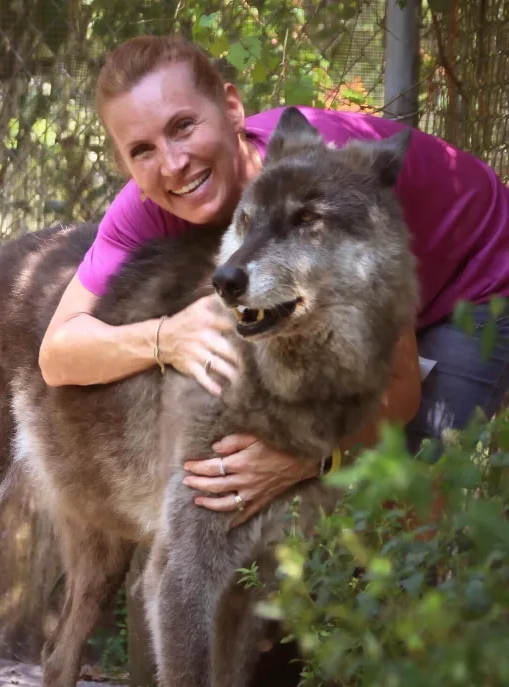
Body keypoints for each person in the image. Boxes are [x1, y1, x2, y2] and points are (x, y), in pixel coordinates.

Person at [39, 34, 509, 527]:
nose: (173, 163)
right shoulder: (147, 206)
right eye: (142, 150)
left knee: (405, 491)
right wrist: (165, 339)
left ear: (232, 109)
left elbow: (400, 391)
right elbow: (58, 352)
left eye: (183, 126)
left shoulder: (323, 190)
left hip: (473, 276)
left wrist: (306, 456)